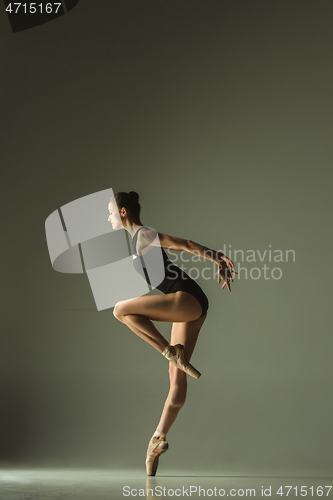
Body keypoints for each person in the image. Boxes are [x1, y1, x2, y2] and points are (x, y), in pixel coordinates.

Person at [108, 191, 237, 476]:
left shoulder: (143, 234)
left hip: (185, 298)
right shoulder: (138, 239)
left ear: (124, 212)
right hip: (193, 306)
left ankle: (170, 350)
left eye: (111, 212)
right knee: (176, 379)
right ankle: (158, 439)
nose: (109, 218)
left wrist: (217, 258)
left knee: (120, 310)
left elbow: (186, 245)